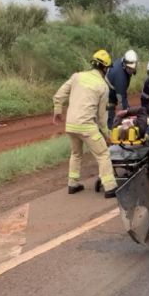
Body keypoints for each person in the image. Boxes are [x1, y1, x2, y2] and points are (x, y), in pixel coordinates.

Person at [53, 50, 118, 198]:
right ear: (106, 68)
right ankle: (110, 187)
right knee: (103, 154)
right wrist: (106, 134)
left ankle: (72, 183)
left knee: (76, 153)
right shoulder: (103, 86)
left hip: (71, 125)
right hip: (87, 126)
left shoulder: (77, 77)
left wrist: (57, 111)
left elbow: (59, 95)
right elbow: (101, 117)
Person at [106, 49, 138, 128]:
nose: (131, 70)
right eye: (129, 69)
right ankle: (107, 132)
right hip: (105, 92)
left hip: (111, 88)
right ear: (124, 65)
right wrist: (129, 115)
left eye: (133, 68)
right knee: (108, 112)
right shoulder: (120, 77)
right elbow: (122, 99)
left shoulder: (123, 62)